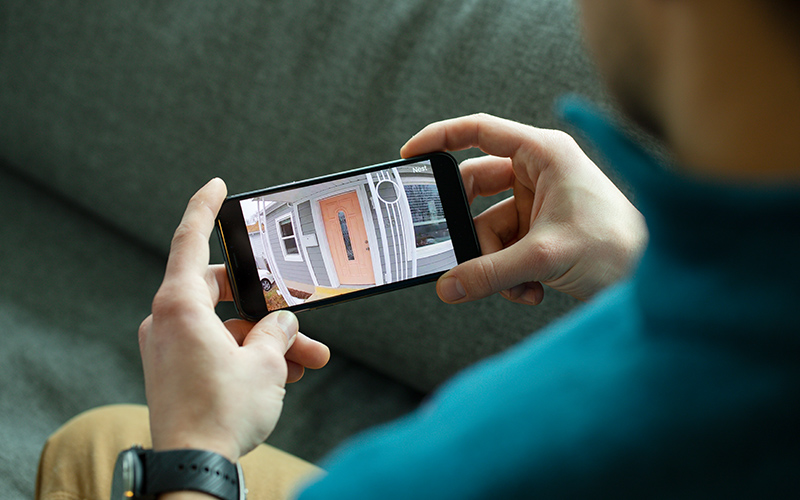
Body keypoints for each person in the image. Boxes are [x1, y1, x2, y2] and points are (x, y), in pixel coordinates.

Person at [36, 0, 800, 498]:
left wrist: (196, 452)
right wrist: (639, 262)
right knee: (97, 437)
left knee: (105, 459)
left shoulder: (427, 473)